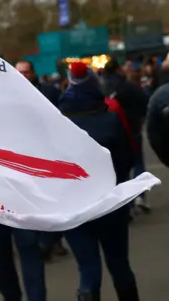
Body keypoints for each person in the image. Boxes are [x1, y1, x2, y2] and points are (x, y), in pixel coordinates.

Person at [59, 62, 138, 300]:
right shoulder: (110, 119)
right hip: (109, 203)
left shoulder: (57, 122)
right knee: (119, 264)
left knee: (87, 268)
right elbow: (127, 159)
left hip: (73, 206)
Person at [15, 60, 67, 260]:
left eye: (26, 72)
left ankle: (54, 240)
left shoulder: (49, 92)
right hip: (22, 155)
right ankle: (36, 241)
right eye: (19, 73)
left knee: (52, 198)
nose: (23, 76)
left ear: (33, 73)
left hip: (48, 152)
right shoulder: (6, 95)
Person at [101, 59, 149, 213]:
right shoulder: (128, 87)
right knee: (137, 162)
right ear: (118, 70)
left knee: (118, 168)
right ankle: (140, 195)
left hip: (109, 132)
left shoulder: (100, 88)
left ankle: (125, 203)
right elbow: (144, 102)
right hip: (133, 128)